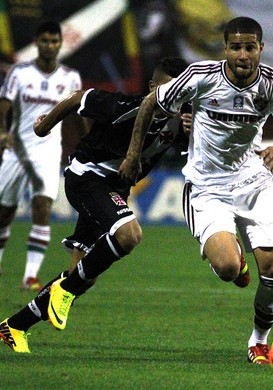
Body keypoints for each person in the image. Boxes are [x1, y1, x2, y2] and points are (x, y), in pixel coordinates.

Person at [123, 16, 273, 364]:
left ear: (260, 49)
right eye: (235, 47)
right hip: (207, 186)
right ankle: (233, 262)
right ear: (225, 48)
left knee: (271, 266)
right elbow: (150, 103)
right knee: (227, 268)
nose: (243, 54)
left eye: (250, 47)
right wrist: (133, 155)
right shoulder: (200, 77)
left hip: (254, 181)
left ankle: (259, 340)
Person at [0, 56, 190, 353]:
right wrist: (43, 126)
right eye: (168, 89)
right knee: (129, 234)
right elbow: (79, 98)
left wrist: (194, 133)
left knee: (83, 275)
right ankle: (63, 290)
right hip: (86, 178)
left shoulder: (181, 123)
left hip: (111, 189)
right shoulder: (127, 108)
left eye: (182, 91)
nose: (174, 98)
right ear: (152, 87)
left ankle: (15, 326)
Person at [0, 21, 83, 290]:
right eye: (45, 41)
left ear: (60, 44)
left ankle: (30, 276)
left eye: (55, 41)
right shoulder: (19, 73)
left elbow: (80, 116)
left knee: (42, 208)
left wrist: (88, 144)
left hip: (48, 152)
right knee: (4, 212)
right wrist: (2, 132)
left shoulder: (70, 78)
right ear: (37, 42)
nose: (50, 46)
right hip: (17, 151)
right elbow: (4, 107)